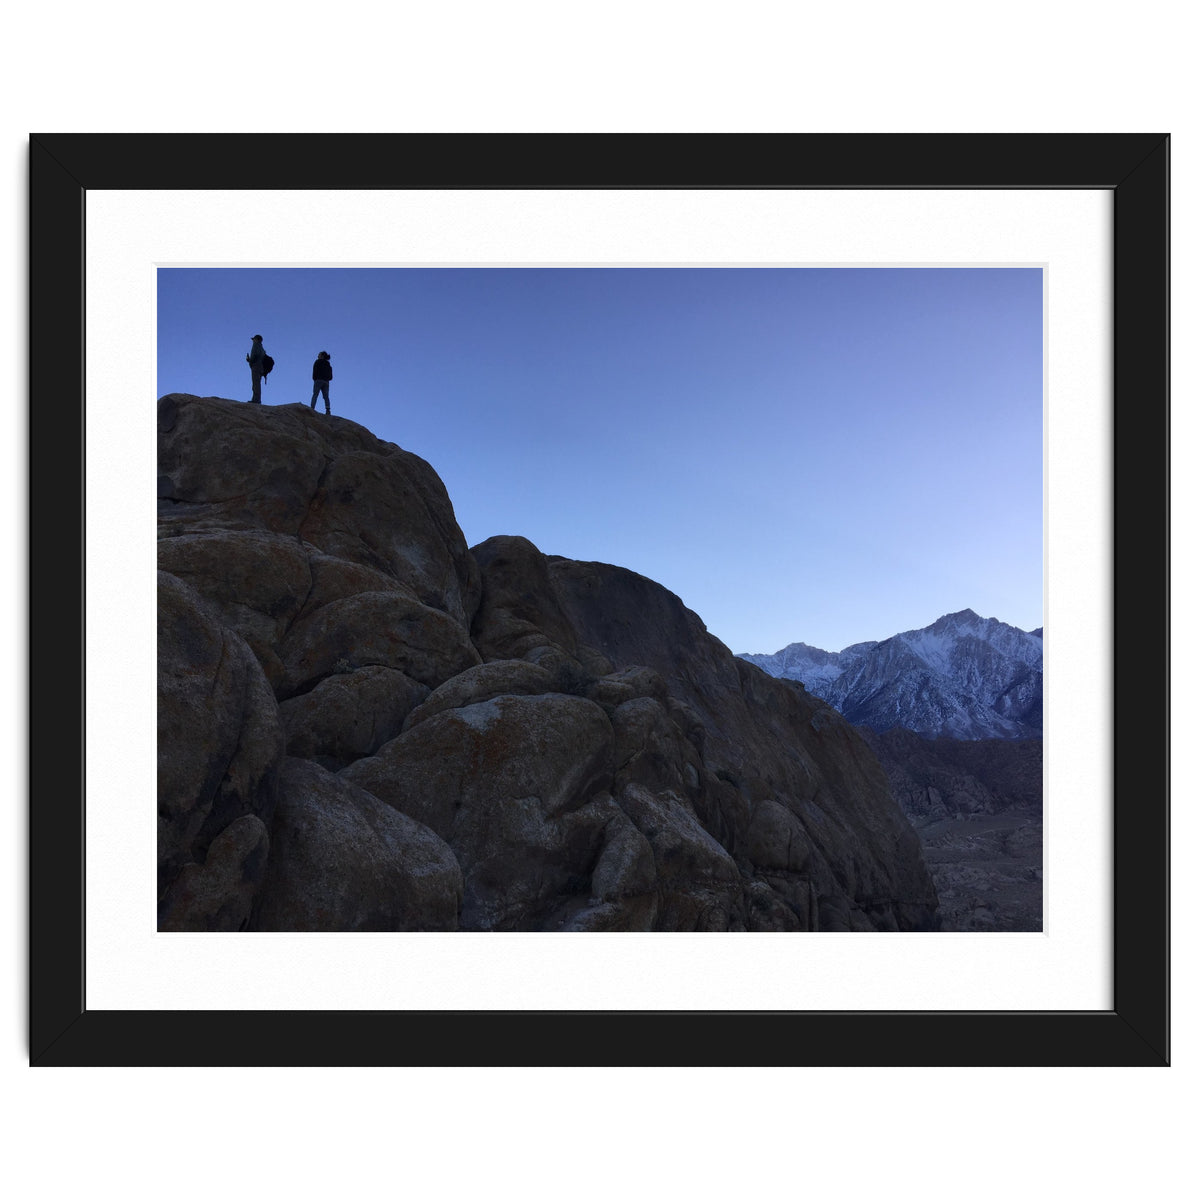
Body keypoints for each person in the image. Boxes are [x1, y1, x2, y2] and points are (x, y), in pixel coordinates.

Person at [310, 350, 333, 415]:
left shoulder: (317, 362)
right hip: (326, 382)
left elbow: (314, 372)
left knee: (315, 394)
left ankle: (312, 408)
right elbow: (331, 376)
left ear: (322, 356)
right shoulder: (328, 365)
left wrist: (315, 379)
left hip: (318, 380)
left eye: (319, 354)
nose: (318, 356)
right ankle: (328, 410)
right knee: (326, 396)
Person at [246, 334, 266, 403]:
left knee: (256, 384)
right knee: (257, 383)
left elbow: (254, 355)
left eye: (254, 339)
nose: (253, 341)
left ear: (256, 339)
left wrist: (249, 360)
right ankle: (257, 399)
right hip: (261, 368)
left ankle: (256, 400)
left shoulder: (256, 345)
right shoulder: (262, 349)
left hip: (256, 366)